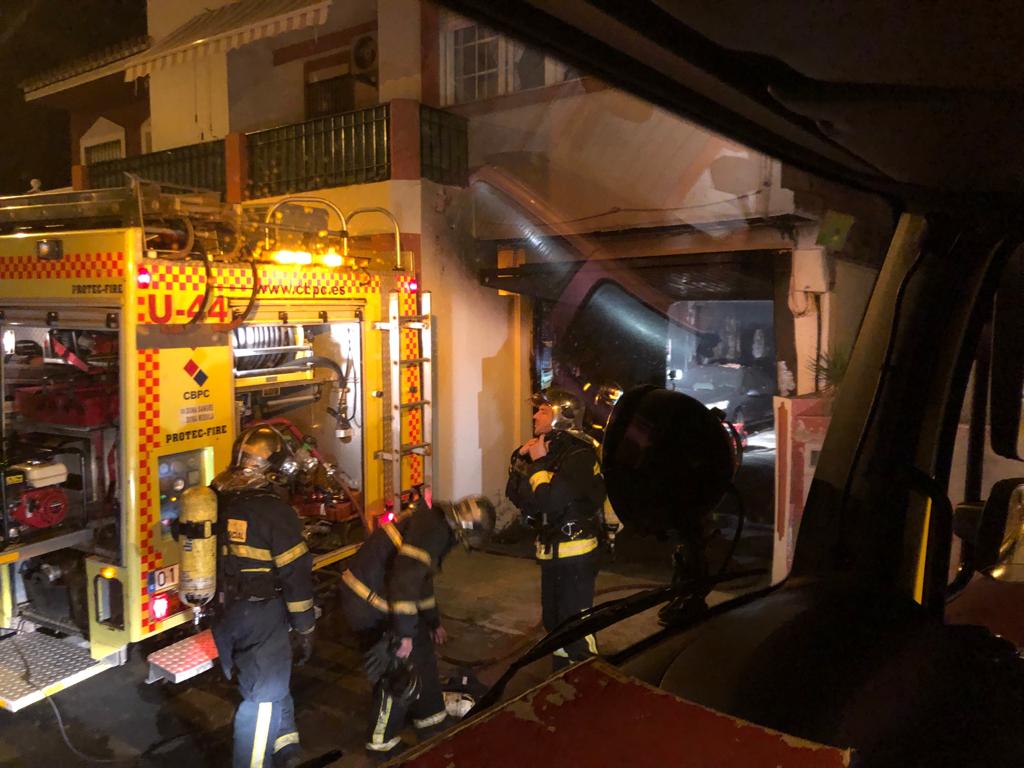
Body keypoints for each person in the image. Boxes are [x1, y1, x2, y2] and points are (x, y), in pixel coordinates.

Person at [339, 495, 496, 762]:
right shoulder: (433, 530)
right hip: (366, 602)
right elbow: (406, 580)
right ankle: (381, 743)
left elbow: (422, 580)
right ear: (465, 528)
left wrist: (432, 622)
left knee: (422, 653)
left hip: (379, 596)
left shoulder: (436, 525)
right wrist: (404, 634)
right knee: (398, 669)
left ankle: (431, 719)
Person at [210, 425, 316, 768]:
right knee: (263, 697)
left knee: (270, 678)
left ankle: (285, 744)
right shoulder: (274, 511)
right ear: (272, 471)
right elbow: (296, 576)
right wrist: (305, 627)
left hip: (225, 611)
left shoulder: (216, 496)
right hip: (261, 614)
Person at [507, 389, 606, 669]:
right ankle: (561, 677)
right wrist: (520, 461)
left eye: (543, 411)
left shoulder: (580, 455)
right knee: (554, 623)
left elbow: (551, 501)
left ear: (562, 416)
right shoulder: (546, 450)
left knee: (576, 627)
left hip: (576, 554)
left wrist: (538, 463)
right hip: (551, 552)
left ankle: (589, 678)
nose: (535, 416)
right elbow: (518, 497)